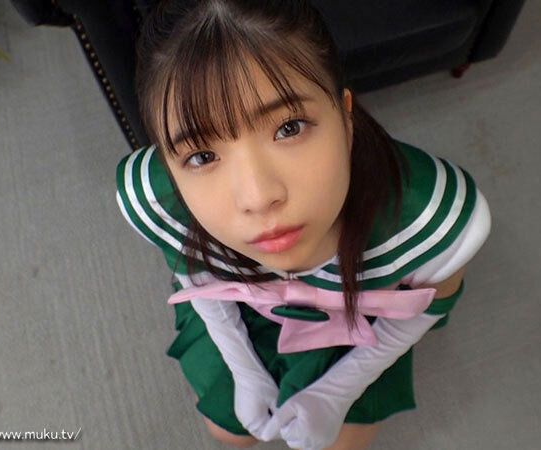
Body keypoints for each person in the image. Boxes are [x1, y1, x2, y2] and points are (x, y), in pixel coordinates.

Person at [115, 1, 491, 448]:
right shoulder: (158, 198)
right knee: (228, 433)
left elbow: (430, 306)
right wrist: (244, 369)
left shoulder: (429, 216)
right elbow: (196, 275)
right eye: (202, 156)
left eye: (289, 128)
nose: (258, 197)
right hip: (245, 316)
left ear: (345, 114)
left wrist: (340, 388)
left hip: (355, 328)